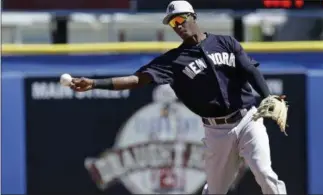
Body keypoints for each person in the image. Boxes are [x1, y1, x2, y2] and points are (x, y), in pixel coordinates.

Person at [69, 1, 287, 194]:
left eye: (181, 19)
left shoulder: (226, 43)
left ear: (193, 17)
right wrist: (95, 84)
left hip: (248, 119)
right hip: (217, 131)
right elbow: (137, 79)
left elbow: (250, 70)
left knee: (264, 173)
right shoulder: (174, 61)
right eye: (173, 23)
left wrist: (269, 97)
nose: (178, 26)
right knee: (216, 190)